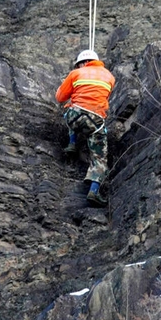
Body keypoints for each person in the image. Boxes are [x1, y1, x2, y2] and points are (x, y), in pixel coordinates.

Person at [56, 49, 116, 207]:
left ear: (82, 63)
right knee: (100, 158)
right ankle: (94, 191)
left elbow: (60, 97)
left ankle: (72, 143)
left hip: (74, 115)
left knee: (69, 111)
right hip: (95, 120)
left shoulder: (75, 74)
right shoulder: (109, 76)